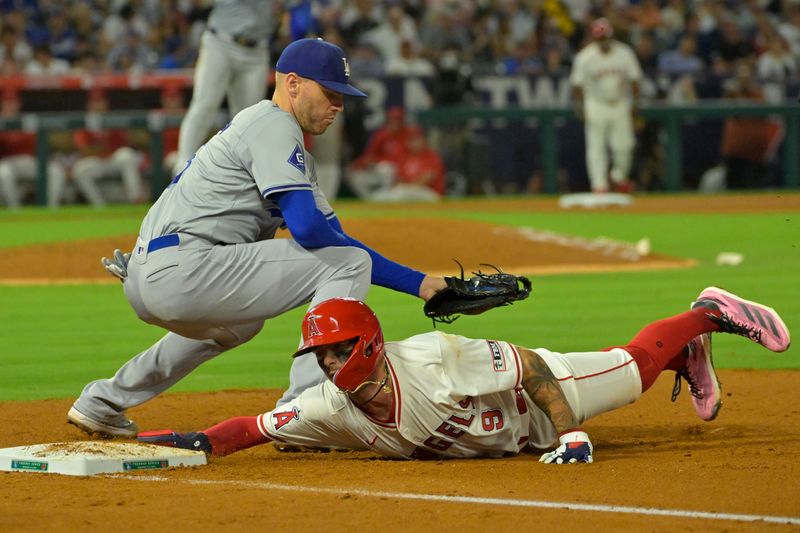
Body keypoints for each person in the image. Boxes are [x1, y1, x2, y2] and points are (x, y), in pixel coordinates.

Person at [67, 38, 446, 439]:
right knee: (350, 262)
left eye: (342, 97)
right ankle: (303, 409)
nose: (338, 106)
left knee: (241, 325)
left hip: (157, 272)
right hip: (183, 267)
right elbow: (313, 233)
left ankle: (103, 401)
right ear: (294, 84)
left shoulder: (282, 144)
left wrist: (422, 284)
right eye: (330, 93)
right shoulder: (273, 125)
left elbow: (334, 238)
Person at [139, 287, 791, 462]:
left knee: (632, 366)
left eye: (338, 351)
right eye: (323, 356)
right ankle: (689, 351)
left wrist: (567, 432)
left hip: (543, 398)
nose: (330, 364)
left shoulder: (431, 360)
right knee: (641, 367)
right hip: (513, 435)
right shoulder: (329, 409)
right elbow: (251, 429)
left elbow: (530, 368)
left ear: (367, 344)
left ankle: (705, 315)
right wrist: (188, 442)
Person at [173, 0, 276, 175]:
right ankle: (181, 169)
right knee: (204, 105)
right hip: (220, 42)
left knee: (248, 119)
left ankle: (240, 175)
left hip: (257, 50)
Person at [570, 18, 643, 193]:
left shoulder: (624, 53)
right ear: (594, 38)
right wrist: (580, 108)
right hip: (596, 103)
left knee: (625, 146)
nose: (603, 42)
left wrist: (635, 107)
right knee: (596, 147)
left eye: (605, 38)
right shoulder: (585, 57)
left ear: (611, 36)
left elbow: (635, 80)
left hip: (620, 103)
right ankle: (599, 185)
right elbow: (577, 86)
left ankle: (618, 177)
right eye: (600, 38)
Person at [70, 88, 147, 206]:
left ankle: (135, 197)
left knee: (127, 155)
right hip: (96, 161)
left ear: (106, 103)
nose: (98, 105)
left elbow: (126, 142)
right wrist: (101, 148)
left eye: (100, 101)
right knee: (79, 170)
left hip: (113, 160)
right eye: (94, 102)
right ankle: (99, 205)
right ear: (89, 105)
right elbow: (84, 150)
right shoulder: (84, 122)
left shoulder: (113, 119)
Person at [0, 89, 68, 209]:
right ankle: (15, 212)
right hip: (7, 162)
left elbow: (42, 145)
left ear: (18, 104)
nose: (10, 105)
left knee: (56, 171)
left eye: (13, 102)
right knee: (4, 173)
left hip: (29, 161)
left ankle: (50, 210)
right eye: (7, 102)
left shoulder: (28, 120)